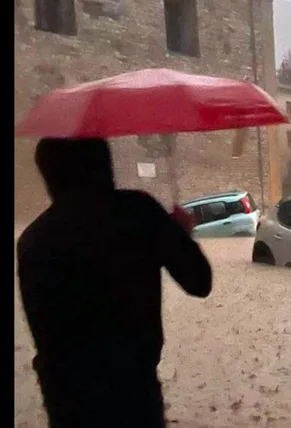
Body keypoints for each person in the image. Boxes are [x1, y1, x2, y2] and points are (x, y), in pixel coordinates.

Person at [16, 137, 213, 428]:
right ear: (103, 164)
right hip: (134, 393)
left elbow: (43, 334)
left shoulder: (33, 239)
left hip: (66, 401)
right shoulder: (138, 212)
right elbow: (199, 282)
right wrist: (180, 236)